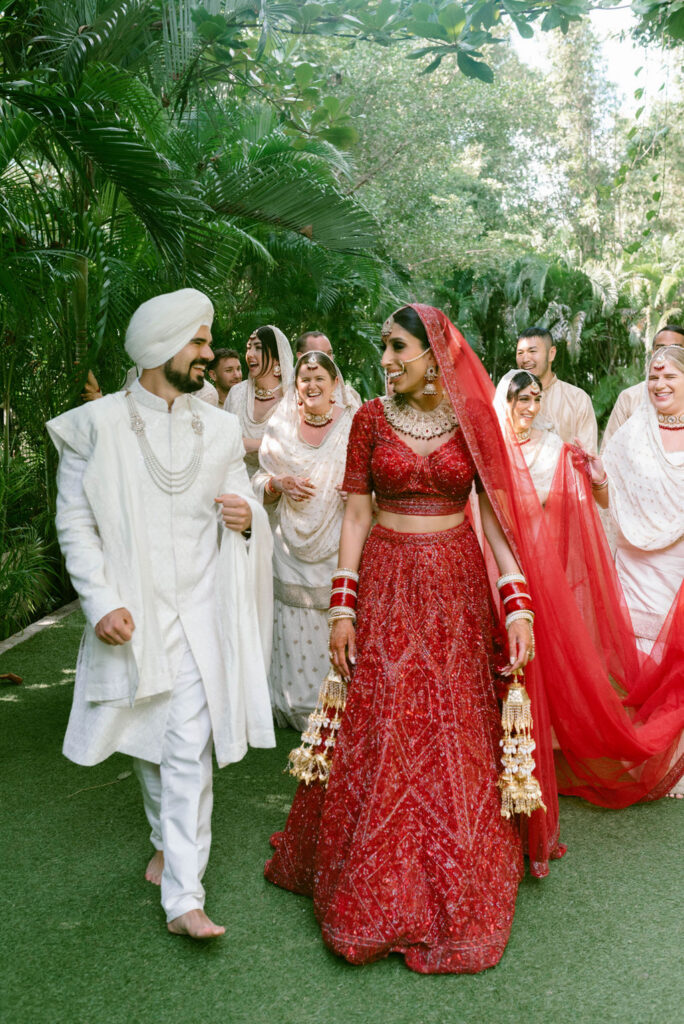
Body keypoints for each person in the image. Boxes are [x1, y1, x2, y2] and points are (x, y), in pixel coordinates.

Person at [266, 305, 548, 975]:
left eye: (398, 347)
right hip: (387, 584)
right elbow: (357, 511)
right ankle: (373, 887)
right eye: (384, 348)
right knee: (386, 724)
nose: (386, 359)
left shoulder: (475, 422)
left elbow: (498, 522)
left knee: (452, 727)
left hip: (455, 593)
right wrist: (343, 605)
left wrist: (517, 606)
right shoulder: (369, 420)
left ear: (434, 353)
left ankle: (457, 881)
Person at [47, 289, 275, 939]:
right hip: (136, 616)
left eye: (208, 342)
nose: (209, 352)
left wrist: (246, 516)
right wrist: (101, 602)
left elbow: (241, 497)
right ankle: (166, 841)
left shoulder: (223, 428)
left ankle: (183, 897)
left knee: (185, 748)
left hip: (205, 615)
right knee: (151, 743)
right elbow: (76, 522)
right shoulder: (94, 426)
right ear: (157, 346)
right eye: (198, 341)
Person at [252, 351, 360, 729]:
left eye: (319, 379)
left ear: (335, 386)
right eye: (304, 380)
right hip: (289, 542)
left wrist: (365, 495)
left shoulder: (353, 424)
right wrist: (278, 484)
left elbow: (374, 476)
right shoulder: (280, 426)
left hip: (339, 537)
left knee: (335, 616)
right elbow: (256, 482)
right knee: (291, 621)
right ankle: (292, 704)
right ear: (296, 389)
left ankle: (337, 703)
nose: (312, 386)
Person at [601, 325, 684, 450]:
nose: (667, 354)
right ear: (653, 354)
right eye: (661, 349)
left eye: (675, 348)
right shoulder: (630, 397)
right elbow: (608, 452)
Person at [224, 326, 293, 476]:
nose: (250, 354)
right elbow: (222, 442)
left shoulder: (292, 399)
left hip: (278, 487)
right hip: (233, 484)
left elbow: (294, 449)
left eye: (258, 348)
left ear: (277, 357)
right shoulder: (236, 393)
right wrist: (263, 444)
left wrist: (248, 444)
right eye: (249, 348)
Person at [516, 326, 597, 452]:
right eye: (520, 353)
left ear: (551, 354)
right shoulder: (510, 399)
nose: (525, 359)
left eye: (532, 351)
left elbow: (588, 456)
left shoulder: (577, 399)